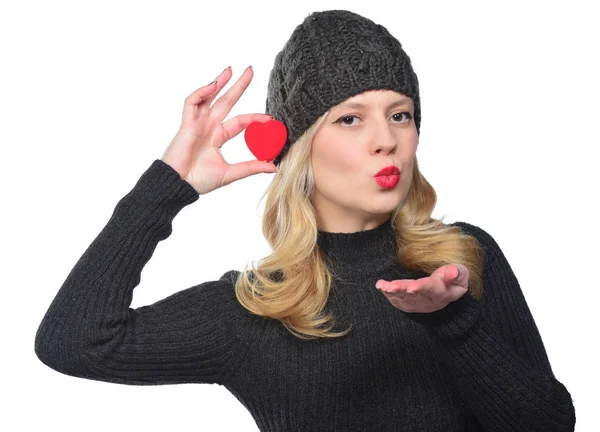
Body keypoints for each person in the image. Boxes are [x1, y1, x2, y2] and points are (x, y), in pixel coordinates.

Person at [34, 9, 576, 432]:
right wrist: (168, 185)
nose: (386, 139)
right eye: (349, 118)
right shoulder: (253, 310)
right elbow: (72, 342)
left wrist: (456, 323)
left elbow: (551, 426)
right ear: (298, 147)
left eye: (400, 114)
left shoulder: (461, 258)